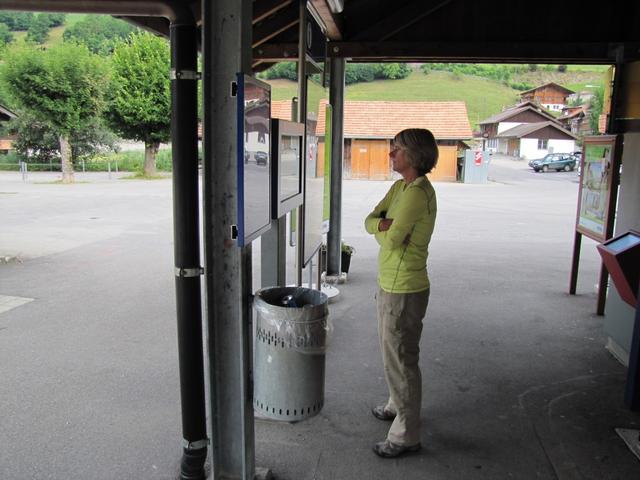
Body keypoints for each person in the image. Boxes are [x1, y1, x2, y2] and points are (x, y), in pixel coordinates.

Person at [364, 128, 438, 458]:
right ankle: (397, 404)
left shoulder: (417, 193)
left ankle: (406, 435)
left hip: (404, 287)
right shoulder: (399, 187)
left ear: (415, 155)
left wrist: (387, 229)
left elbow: (392, 240)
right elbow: (369, 220)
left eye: (397, 150)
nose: (391, 154)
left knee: (403, 359)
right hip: (389, 283)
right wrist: (384, 226)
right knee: (393, 355)